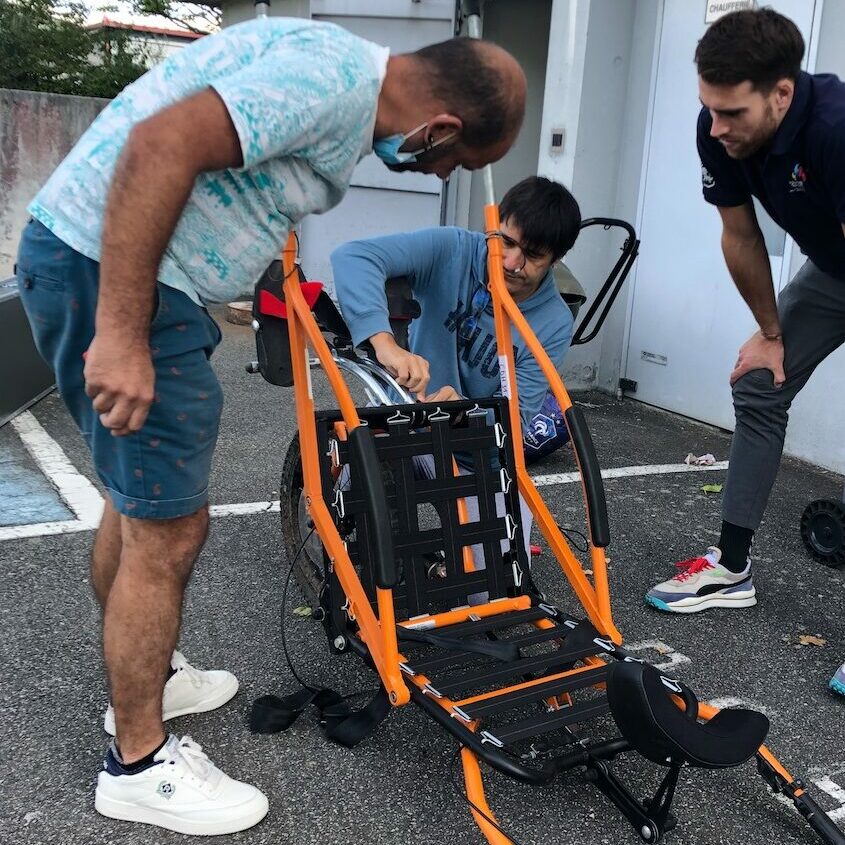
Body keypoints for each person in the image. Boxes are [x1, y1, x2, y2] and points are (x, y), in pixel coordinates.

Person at [16, 16, 526, 836]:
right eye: (451, 162)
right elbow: (160, 144)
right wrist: (121, 328)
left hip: (114, 267)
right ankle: (137, 762)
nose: (435, 171)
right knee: (169, 527)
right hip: (120, 278)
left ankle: (146, 684)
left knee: (135, 494)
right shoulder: (334, 85)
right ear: (439, 127)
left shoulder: (332, 67)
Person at [644, 8, 845, 697]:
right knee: (760, 384)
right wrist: (769, 331)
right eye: (708, 108)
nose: (713, 126)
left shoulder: (836, 131)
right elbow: (739, 232)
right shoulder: (719, 131)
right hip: (834, 266)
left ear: (780, 94)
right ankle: (729, 568)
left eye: (730, 111)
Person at [331, 175, 581, 565]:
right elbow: (353, 257)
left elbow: (515, 424)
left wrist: (465, 411)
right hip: (406, 422)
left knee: (496, 593)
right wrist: (387, 345)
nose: (512, 264)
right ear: (494, 227)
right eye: (507, 242)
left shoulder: (554, 322)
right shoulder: (452, 249)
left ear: (555, 259)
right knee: (371, 516)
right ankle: (355, 512)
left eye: (532, 256)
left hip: (473, 455)